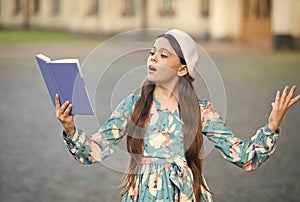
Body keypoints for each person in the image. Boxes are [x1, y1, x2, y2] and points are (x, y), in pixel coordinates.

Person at [55, 29, 300, 202]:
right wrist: (70, 129)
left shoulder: (201, 110)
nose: (153, 58)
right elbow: (94, 152)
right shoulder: (133, 106)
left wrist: (272, 125)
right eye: (152, 53)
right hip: (144, 196)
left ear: (182, 69)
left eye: (163, 55)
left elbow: (244, 157)